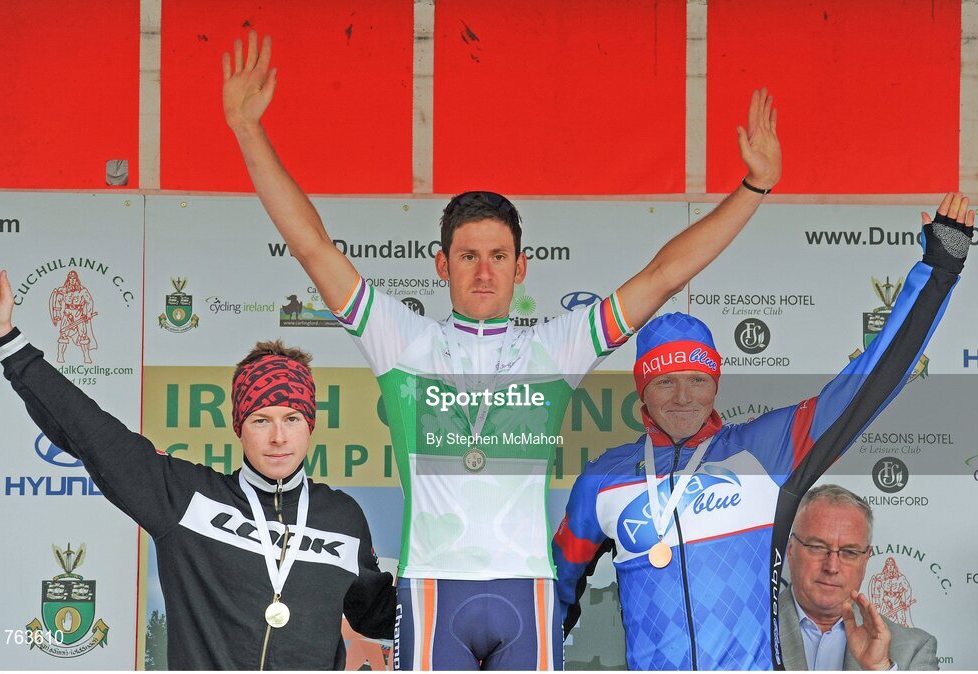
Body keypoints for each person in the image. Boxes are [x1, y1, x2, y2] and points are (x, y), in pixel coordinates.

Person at [223, 30, 781, 670]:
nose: (482, 272)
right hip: (432, 585)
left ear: (521, 269)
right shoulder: (405, 342)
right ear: (441, 265)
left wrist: (754, 188)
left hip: (528, 588)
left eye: (497, 257)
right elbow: (314, 247)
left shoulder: (556, 346)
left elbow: (661, 276)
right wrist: (247, 130)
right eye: (467, 257)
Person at [553, 193, 972, 670]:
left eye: (698, 380)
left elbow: (867, 386)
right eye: (665, 382)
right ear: (642, 392)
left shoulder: (766, 451)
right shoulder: (602, 480)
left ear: (716, 384)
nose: (683, 397)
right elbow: (553, 596)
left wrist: (939, 266)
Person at [0, 252, 395, 670]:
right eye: (261, 419)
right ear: (239, 426)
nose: (279, 437)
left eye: (292, 418)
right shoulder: (186, 498)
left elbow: (377, 616)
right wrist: (6, 341)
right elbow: (89, 433)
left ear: (311, 424)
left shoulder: (343, 518)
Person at [779, 484, 938, 671]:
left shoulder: (914, 649)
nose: (832, 567)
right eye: (818, 547)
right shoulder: (744, 631)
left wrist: (879, 668)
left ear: (865, 560)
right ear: (790, 550)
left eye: (849, 552)